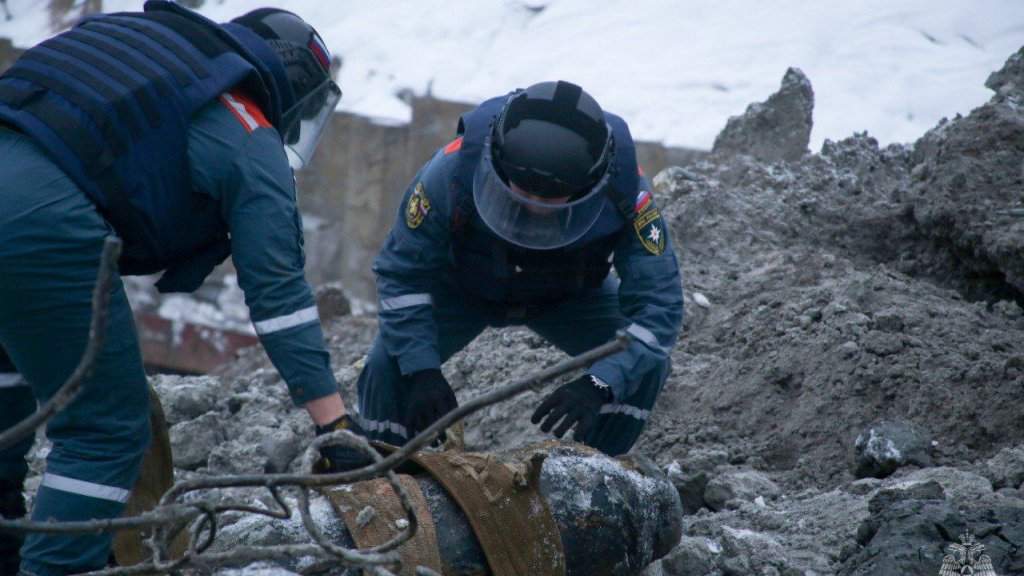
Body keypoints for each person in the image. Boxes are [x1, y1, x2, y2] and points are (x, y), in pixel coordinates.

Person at [0, 3, 368, 574]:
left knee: (8, 383)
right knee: (109, 427)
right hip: (37, 224)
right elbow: (278, 294)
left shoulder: (143, 45)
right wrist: (335, 424)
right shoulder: (246, 125)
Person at [356, 80, 684, 457]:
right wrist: (421, 370)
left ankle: (598, 473)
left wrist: (600, 383)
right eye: (520, 192)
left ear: (589, 185)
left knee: (645, 366)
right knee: (387, 364)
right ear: (495, 159)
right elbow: (402, 271)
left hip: (569, 298)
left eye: (549, 199)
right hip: (461, 289)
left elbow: (659, 305)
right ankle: (387, 474)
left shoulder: (626, 192)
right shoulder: (451, 170)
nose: (532, 207)